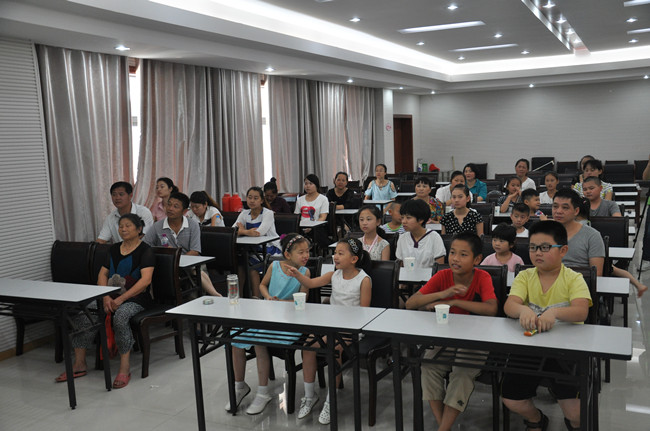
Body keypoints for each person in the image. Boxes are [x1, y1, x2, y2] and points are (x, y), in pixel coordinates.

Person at [502, 220, 592, 431]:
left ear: (563, 250)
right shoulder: (525, 276)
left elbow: (581, 311)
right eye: (533, 247)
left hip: (565, 351)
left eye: (545, 247)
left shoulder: (574, 278)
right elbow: (509, 305)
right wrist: (523, 310)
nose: (537, 253)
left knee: (576, 415)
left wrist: (555, 313)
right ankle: (536, 419)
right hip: (529, 347)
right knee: (511, 399)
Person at [405, 232, 497, 431]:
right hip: (445, 338)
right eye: (453, 252)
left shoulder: (482, 277)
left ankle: (443, 428)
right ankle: (444, 427)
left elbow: (491, 309)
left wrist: (454, 301)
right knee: (428, 367)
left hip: (474, 339)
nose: (455, 258)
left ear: (477, 259)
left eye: (463, 254)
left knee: (462, 373)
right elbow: (411, 303)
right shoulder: (443, 275)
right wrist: (443, 293)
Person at [56, 214, 154, 389]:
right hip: (109, 297)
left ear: (139, 229)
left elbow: (145, 281)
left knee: (121, 317)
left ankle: (124, 368)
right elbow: (102, 274)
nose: (123, 229)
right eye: (121, 226)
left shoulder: (146, 250)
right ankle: (79, 364)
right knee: (84, 314)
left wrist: (122, 298)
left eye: (128, 226)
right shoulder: (113, 249)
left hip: (136, 298)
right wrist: (105, 296)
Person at [284, 238, 372, 424]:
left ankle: (331, 399)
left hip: (351, 329)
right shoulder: (334, 275)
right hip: (330, 326)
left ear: (354, 259)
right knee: (308, 347)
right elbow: (311, 283)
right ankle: (309, 396)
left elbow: (364, 313)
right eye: (335, 253)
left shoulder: (364, 280)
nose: (335, 257)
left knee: (333, 350)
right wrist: (297, 275)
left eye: (341, 253)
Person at [225, 234, 312, 415]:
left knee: (260, 340)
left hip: (290, 320)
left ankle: (263, 392)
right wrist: (268, 297)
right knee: (236, 337)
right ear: (287, 254)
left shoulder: (305, 273)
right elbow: (263, 286)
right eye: (301, 252)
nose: (306, 255)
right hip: (268, 314)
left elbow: (302, 301)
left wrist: (282, 302)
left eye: (307, 251)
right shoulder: (275, 266)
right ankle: (239, 386)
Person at [144, 192, 220, 296]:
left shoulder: (193, 225)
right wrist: (162, 252)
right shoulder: (158, 226)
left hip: (189, 261)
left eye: (175, 206)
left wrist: (177, 259)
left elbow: (195, 251)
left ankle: (214, 295)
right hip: (167, 264)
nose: (170, 209)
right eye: (169, 204)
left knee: (196, 270)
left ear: (184, 211)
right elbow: (145, 246)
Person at [233, 187, 282, 298]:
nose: (252, 201)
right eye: (249, 197)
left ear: (261, 200)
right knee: (240, 266)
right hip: (251, 249)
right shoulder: (244, 213)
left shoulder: (268, 213)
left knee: (252, 267)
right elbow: (233, 231)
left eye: (255, 198)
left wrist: (242, 231)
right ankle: (239, 297)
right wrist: (246, 231)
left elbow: (259, 232)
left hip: (269, 247)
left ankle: (256, 297)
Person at [551, 189, 605, 275]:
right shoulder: (543, 234)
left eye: (565, 207)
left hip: (580, 282)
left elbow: (596, 274)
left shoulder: (592, 236)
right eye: (555, 206)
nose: (558, 211)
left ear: (576, 211)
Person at [396, 199, 446, 268]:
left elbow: (439, 267)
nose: (404, 221)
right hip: (407, 274)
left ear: (421, 220)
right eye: (402, 217)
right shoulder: (402, 238)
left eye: (408, 218)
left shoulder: (434, 237)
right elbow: (400, 266)